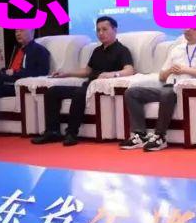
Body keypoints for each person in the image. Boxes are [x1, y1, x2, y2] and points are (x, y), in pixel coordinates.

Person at [33, 16, 134, 147]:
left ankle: (71, 133)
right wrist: (66, 73)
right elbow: (87, 71)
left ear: (114, 30)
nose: (101, 33)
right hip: (87, 86)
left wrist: (112, 74)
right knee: (53, 91)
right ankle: (52, 131)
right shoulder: (97, 50)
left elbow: (130, 70)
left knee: (79, 93)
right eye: (98, 30)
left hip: (99, 89)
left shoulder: (122, 50)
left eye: (104, 29)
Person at [120, 25, 196, 152]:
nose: (187, 30)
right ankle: (140, 135)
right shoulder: (177, 49)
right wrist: (170, 71)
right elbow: (162, 76)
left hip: (185, 91)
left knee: (167, 93)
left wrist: (186, 70)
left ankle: (160, 136)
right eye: (186, 27)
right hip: (168, 87)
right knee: (132, 93)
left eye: (193, 28)